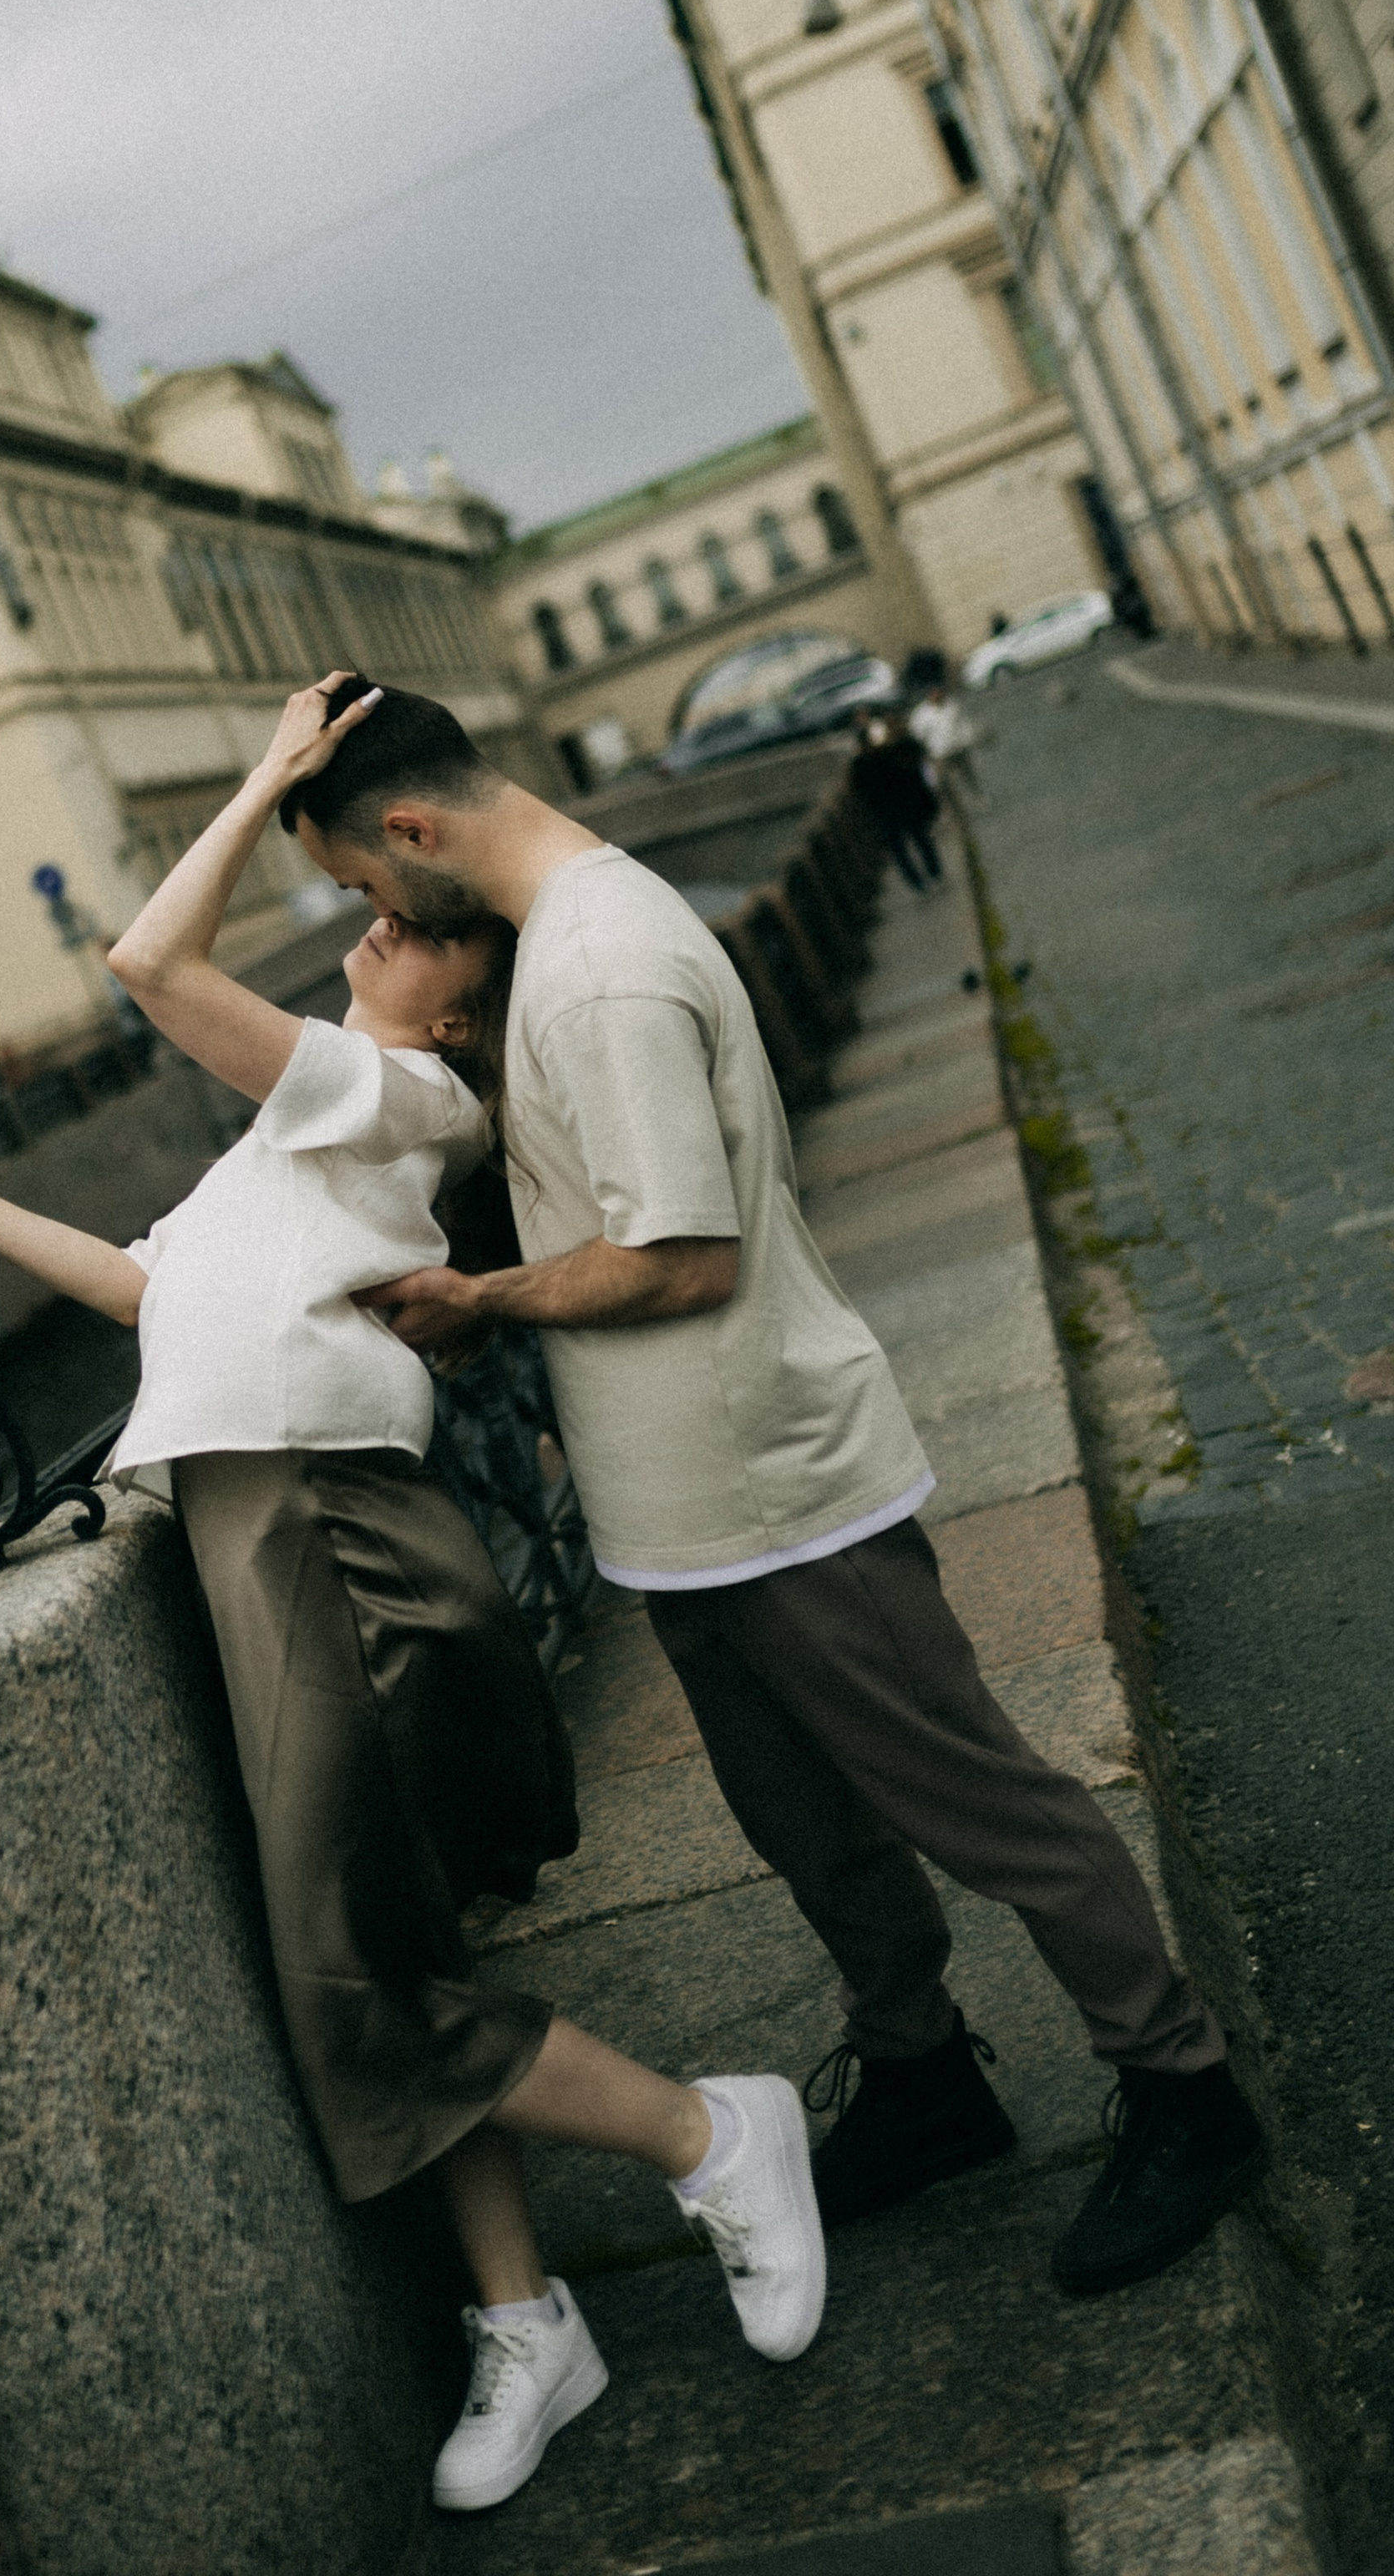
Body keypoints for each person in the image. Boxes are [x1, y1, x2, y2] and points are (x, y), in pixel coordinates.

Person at [0, 677, 824, 2516]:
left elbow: (149, 959)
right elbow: (151, 1294)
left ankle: (707, 2131)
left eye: (395, 929)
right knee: (395, 1945)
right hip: (258, 1507)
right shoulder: (302, 1143)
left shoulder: (400, 1097)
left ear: (453, 1010)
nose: (366, 931)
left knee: (350, 1981)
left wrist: (268, 777)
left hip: (320, 1520)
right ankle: (529, 2321)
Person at [283, 678, 1266, 2303]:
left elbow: (678, 1257)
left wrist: (481, 1304)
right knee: (808, 1827)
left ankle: (1183, 2088)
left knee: (982, 1802)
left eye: (361, 884)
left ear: (409, 830)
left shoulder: (596, 969)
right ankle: (923, 2076)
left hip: (777, 1490)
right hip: (683, 1513)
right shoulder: (559, 948)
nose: (372, 917)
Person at [850, 710, 945, 893]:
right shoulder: (885, 755)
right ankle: (931, 875)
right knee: (916, 841)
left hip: (888, 812)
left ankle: (922, 881)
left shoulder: (863, 763)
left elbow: (861, 793)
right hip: (898, 809)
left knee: (904, 848)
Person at [909, 682, 985, 813]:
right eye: (934, 693)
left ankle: (978, 800)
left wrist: (969, 738)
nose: (937, 695)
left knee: (968, 776)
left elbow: (962, 724)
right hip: (939, 753)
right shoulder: (922, 715)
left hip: (957, 748)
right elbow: (917, 735)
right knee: (942, 782)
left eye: (939, 692)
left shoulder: (951, 706)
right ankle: (951, 808)